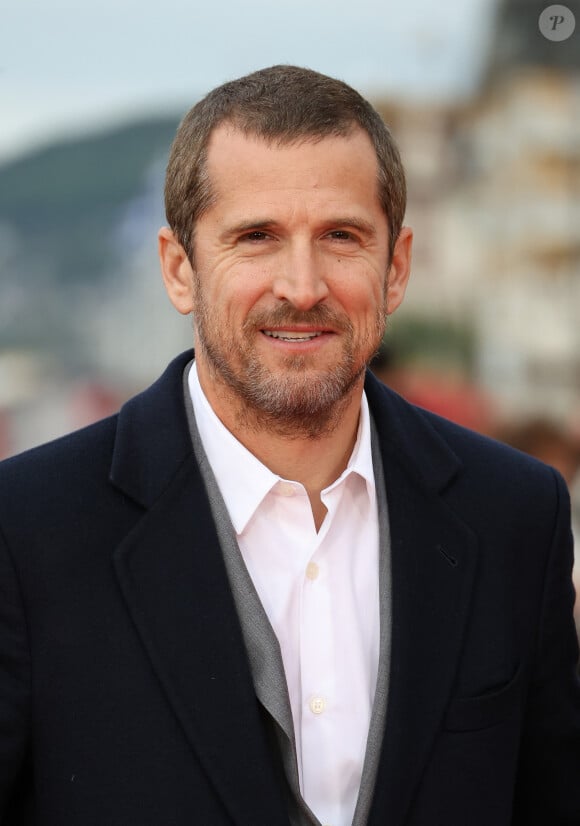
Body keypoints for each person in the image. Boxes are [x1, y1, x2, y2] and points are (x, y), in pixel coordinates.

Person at [0, 65, 579, 826]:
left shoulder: (516, 515)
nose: (302, 286)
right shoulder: (24, 531)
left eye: (341, 237)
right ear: (181, 269)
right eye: (256, 237)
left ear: (396, 266)